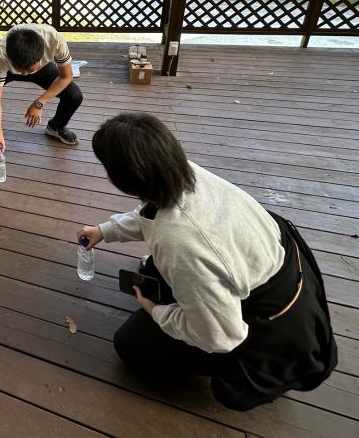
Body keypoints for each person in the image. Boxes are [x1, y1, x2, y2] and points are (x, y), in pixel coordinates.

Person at [78, 113, 337, 411]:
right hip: (271, 266)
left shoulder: (179, 243)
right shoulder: (183, 172)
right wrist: (104, 231)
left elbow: (221, 336)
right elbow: (151, 214)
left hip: (270, 327)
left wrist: (157, 311)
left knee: (131, 344)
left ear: (119, 178)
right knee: (154, 272)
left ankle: (249, 372)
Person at [0, 23, 83, 164]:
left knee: (74, 95)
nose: (25, 75)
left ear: (41, 57)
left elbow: (66, 77)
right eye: (21, 70)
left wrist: (39, 103)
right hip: (10, 70)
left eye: (29, 71)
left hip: (40, 68)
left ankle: (56, 127)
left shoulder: (54, 39)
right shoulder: (1, 58)